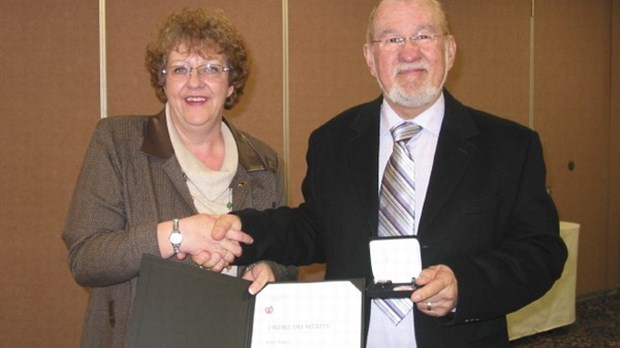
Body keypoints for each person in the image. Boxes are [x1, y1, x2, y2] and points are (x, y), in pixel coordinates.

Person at [206, 0, 568, 347]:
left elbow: (540, 252)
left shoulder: (508, 146)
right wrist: (246, 230)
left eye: (424, 36)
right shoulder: (333, 140)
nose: (409, 53)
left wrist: (465, 286)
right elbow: (316, 227)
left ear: (450, 50)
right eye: (392, 39)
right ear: (369, 58)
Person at [62, 8, 295, 348]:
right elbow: (87, 259)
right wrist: (177, 235)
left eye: (212, 68)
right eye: (180, 69)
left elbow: (287, 259)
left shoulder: (264, 162)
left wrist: (270, 270)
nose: (195, 82)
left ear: (232, 84)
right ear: (164, 80)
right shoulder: (117, 142)